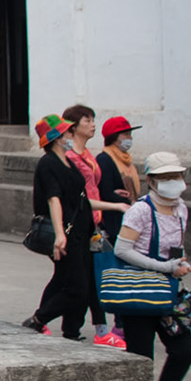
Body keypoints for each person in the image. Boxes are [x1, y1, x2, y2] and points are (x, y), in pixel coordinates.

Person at [112, 151, 191, 381]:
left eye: (176, 176)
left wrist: (180, 264)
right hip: (139, 291)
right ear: (151, 181)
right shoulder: (141, 210)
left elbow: (177, 246)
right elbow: (122, 249)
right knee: (141, 358)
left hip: (170, 291)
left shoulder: (181, 209)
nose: (173, 182)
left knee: (183, 351)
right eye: (166, 177)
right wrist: (163, 266)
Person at [23, 115, 97, 340]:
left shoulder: (68, 162)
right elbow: (54, 199)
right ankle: (39, 319)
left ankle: (71, 331)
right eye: (68, 133)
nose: (72, 136)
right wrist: (59, 234)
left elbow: (81, 198)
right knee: (77, 289)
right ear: (57, 138)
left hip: (81, 232)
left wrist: (116, 207)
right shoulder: (49, 164)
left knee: (66, 281)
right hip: (66, 234)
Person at [62, 105, 130, 346]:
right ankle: (44, 319)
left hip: (94, 223)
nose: (93, 124)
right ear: (73, 126)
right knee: (75, 280)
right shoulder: (69, 158)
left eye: (93, 119)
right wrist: (114, 205)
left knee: (89, 278)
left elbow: (94, 188)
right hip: (77, 224)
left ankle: (84, 328)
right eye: (87, 120)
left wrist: (111, 196)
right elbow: (76, 197)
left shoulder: (88, 154)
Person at [92, 116, 143, 350]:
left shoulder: (126, 161)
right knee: (118, 275)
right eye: (125, 134)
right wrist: (116, 197)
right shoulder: (104, 159)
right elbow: (103, 192)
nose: (129, 139)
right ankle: (118, 325)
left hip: (128, 221)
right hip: (113, 225)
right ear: (114, 137)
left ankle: (123, 323)